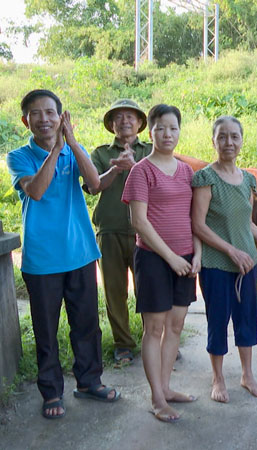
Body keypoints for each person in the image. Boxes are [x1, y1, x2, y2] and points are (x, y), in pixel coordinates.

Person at [7, 89, 120, 420]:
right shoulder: (18, 157)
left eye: (50, 113)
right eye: (36, 113)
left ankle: (89, 381)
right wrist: (56, 150)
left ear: (61, 118)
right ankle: (51, 391)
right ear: (25, 120)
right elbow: (36, 191)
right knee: (46, 330)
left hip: (81, 252)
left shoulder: (74, 149)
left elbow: (95, 184)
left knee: (86, 325)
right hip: (42, 260)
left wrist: (71, 144)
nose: (44, 119)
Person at [192, 116, 257, 403]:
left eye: (234, 137)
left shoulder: (248, 180)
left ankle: (247, 375)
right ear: (213, 141)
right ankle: (218, 378)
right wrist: (231, 251)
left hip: (247, 263)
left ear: (241, 141)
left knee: (247, 319)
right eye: (222, 136)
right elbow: (198, 225)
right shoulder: (205, 178)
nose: (228, 142)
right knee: (217, 321)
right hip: (216, 263)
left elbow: (247, 224)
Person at [122, 104, 200, 423]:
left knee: (176, 326)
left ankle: (167, 387)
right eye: (160, 128)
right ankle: (157, 398)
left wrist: (197, 254)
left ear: (179, 131)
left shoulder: (187, 171)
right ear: (150, 132)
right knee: (154, 328)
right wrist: (170, 257)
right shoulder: (141, 171)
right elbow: (138, 222)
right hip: (154, 259)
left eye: (173, 128)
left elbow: (196, 218)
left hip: (186, 260)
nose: (168, 134)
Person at [85, 99, 152, 365]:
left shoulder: (151, 151)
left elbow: (160, 183)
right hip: (109, 231)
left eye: (130, 117)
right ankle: (123, 345)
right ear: (111, 124)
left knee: (150, 290)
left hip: (146, 233)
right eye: (119, 117)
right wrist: (115, 168)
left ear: (140, 123)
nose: (125, 121)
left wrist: (135, 167)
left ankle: (155, 340)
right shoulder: (100, 154)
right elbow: (93, 186)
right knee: (115, 292)